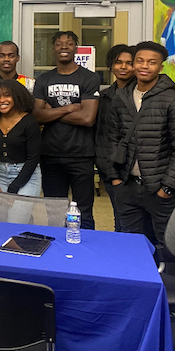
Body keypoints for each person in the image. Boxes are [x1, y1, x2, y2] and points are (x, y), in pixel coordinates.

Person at [106, 41, 175, 249]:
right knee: (130, 245)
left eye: (151, 62)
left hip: (159, 190)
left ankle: (166, 282)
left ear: (161, 67)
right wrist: (116, 179)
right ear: (134, 64)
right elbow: (112, 140)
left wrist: (167, 188)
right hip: (127, 187)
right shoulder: (121, 99)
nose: (145, 66)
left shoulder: (174, 102)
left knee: (167, 246)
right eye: (140, 61)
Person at [33, 31, 100, 230]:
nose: (64, 47)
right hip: (50, 154)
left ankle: (85, 255)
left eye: (69, 43)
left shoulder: (89, 78)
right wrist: (70, 108)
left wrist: (51, 111)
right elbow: (37, 115)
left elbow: (88, 118)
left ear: (75, 49)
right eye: (59, 43)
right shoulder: (44, 79)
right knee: (54, 212)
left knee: (83, 212)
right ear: (53, 49)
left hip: (81, 155)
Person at [96, 44, 136, 232]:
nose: (123, 67)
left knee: (134, 221)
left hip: (137, 170)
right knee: (119, 217)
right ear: (111, 65)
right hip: (110, 166)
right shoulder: (104, 97)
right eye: (118, 62)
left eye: (129, 63)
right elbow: (102, 133)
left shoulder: (141, 96)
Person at [0, 79, 42, 196]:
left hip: (27, 176)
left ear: (17, 97)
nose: (2, 100)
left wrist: (15, 186)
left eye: (7, 96)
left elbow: (33, 159)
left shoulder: (30, 122)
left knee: (18, 213)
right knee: (0, 214)